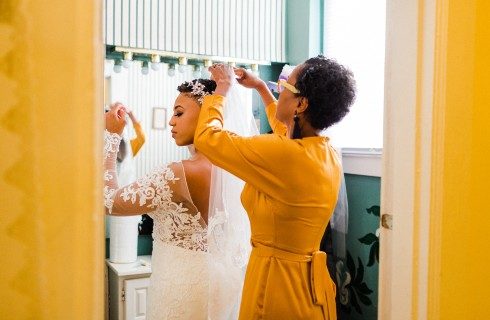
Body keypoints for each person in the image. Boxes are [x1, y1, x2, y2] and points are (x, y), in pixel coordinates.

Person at [194, 55, 356, 319]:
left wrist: (221, 89)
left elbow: (208, 139)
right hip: (311, 286)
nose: (278, 91)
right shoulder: (326, 152)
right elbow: (285, 130)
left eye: (285, 87)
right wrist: (260, 88)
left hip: (276, 284)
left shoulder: (284, 156)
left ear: (301, 103)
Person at [104, 79, 253, 320]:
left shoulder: (178, 173)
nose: (171, 121)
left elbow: (108, 200)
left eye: (179, 113)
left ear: (208, 115)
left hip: (180, 289)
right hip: (219, 287)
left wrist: (111, 137)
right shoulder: (237, 169)